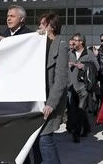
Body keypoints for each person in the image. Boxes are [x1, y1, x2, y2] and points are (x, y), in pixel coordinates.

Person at [37, 13, 69, 164]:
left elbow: (61, 79)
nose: (39, 27)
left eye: (43, 24)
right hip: (37, 98)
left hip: (49, 100)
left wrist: (51, 103)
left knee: (45, 139)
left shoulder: (61, 44)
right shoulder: (38, 42)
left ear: (52, 26)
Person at [67, 33, 97, 143]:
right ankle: (87, 128)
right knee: (74, 110)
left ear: (81, 42)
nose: (73, 42)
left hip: (83, 88)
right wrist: (68, 64)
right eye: (73, 40)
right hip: (71, 86)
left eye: (76, 40)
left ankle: (76, 133)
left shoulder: (89, 53)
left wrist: (84, 66)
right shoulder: (70, 53)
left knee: (79, 111)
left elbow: (96, 67)